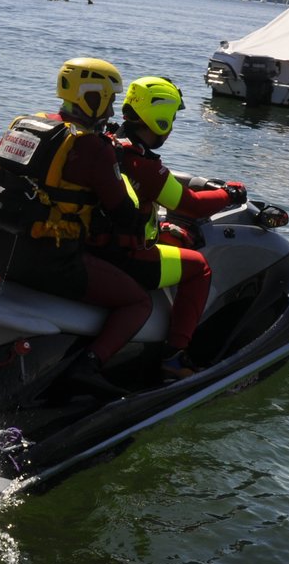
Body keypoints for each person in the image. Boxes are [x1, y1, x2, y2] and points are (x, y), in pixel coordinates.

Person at [0, 57, 152, 397]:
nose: (112, 108)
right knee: (138, 302)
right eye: (111, 98)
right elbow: (123, 214)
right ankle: (88, 364)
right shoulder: (92, 145)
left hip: (2, 255)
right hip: (54, 264)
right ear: (94, 95)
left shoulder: (27, 124)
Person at [100, 76, 246, 378]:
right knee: (198, 268)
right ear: (161, 118)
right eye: (173, 117)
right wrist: (228, 193)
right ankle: (175, 355)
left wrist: (162, 228)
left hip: (96, 243)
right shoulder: (143, 164)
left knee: (171, 235)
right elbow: (190, 204)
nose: (174, 124)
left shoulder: (108, 142)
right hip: (122, 257)